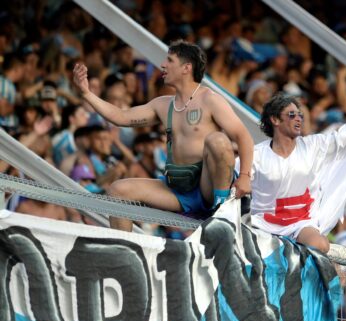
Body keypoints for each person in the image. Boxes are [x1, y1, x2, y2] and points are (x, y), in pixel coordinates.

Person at [72, 40, 254, 231]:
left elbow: (243, 137)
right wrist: (86, 93)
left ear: (186, 67)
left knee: (217, 140)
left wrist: (244, 176)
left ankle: (222, 216)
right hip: (177, 188)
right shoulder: (162, 104)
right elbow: (120, 117)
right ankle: (125, 253)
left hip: (207, 188)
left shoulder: (210, 99)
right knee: (118, 190)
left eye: (169, 60)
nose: (163, 65)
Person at [247, 89, 346, 259]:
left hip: (300, 224)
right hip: (263, 224)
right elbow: (230, 177)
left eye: (300, 114)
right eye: (292, 114)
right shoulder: (255, 155)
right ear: (275, 119)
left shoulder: (312, 146)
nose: (299, 118)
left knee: (319, 244)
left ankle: (324, 248)